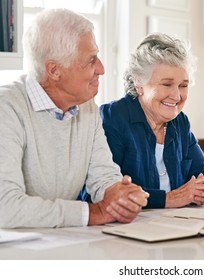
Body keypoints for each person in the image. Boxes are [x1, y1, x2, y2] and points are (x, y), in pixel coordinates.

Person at [0, 8, 149, 228]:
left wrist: (120, 197)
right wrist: (93, 213)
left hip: (57, 242)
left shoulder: (87, 107)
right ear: (54, 70)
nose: (101, 68)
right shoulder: (7, 108)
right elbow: (5, 208)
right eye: (91, 60)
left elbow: (104, 178)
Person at [94, 33, 204, 208]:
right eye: (167, 84)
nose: (177, 96)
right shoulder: (113, 117)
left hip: (175, 226)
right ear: (139, 83)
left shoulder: (180, 122)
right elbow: (106, 191)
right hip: (126, 229)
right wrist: (171, 199)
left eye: (183, 86)